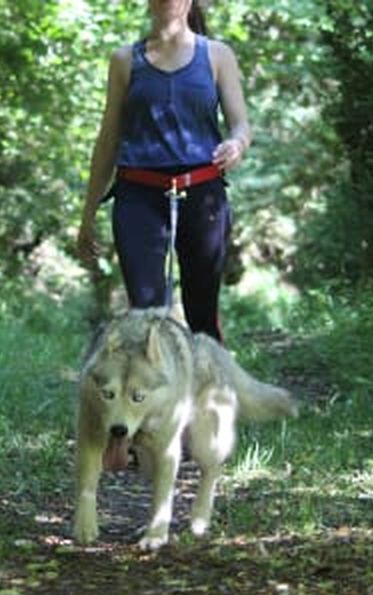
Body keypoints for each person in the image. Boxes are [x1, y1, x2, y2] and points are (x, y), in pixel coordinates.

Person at [76, 0, 251, 342]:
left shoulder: (217, 55)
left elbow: (241, 124)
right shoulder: (125, 60)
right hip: (138, 196)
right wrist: (87, 214)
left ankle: (211, 390)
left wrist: (237, 145)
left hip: (203, 197)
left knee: (202, 311)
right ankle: (157, 393)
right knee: (146, 313)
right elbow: (108, 140)